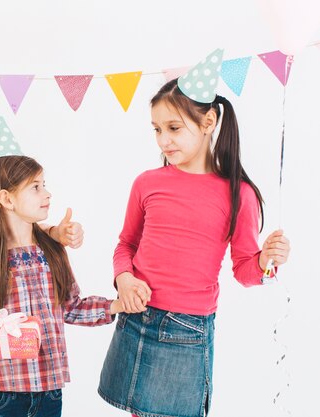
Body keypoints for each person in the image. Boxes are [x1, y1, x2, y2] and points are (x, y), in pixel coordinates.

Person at [98, 53, 291, 417]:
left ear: (208, 121)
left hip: (186, 331)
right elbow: (126, 244)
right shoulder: (147, 183)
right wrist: (123, 278)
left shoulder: (238, 194)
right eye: (156, 129)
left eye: (173, 128)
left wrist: (265, 261)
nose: (163, 140)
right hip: (135, 317)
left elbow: (246, 271)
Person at [0, 155, 125, 417]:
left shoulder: (53, 251)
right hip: (0, 392)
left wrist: (116, 305)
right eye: (36, 187)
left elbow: (71, 307)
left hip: (49, 391)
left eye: (44, 185)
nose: (47, 193)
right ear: (7, 199)